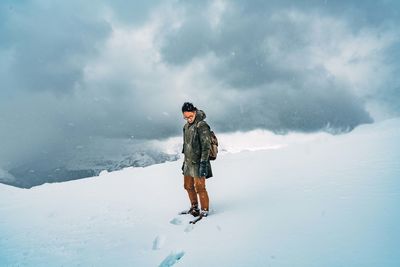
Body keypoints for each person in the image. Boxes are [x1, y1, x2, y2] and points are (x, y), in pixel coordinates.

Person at [181, 102, 212, 218]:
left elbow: (206, 146)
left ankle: (204, 211)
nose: (188, 119)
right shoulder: (186, 127)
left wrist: (204, 163)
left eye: (190, 116)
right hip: (189, 163)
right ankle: (194, 207)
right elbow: (186, 146)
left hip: (199, 162)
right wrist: (184, 163)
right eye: (185, 117)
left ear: (194, 112)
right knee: (187, 186)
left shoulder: (202, 125)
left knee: (200, 187)